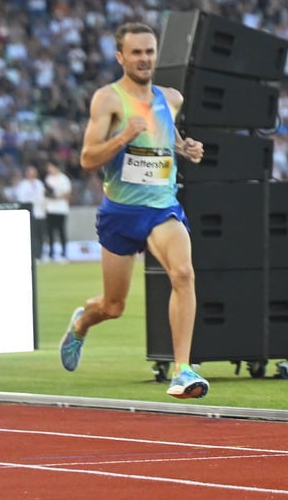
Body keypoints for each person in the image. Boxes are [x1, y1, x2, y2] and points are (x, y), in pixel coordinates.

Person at [59, 21, 209, 399]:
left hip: (161, 208)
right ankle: (81, 323)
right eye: (136, 52)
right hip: (121, 212)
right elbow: (87, 158)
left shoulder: (170, 98)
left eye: (149, 52)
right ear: (120, 56)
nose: (144, 59)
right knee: (113, 306)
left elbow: (164, 138)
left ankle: (183, 370)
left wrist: (185, 148)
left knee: (184, 273)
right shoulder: (107, 100)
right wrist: (123, 136)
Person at [14, 165, 47, 262]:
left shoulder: (39, 183)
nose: (33, 173)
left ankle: (41, 255)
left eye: (34, 171)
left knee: (41, 234)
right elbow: (21, 199)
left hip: (40, 212)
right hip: (30, 213)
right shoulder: (23, 185)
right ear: (27, 173)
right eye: (31, 171)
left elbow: (43, 196)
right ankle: (34, 255)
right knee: (33, 235)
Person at [44, 160, 73, 262]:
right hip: (50, 209)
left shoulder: (63, 179)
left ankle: (64, 253)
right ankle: (51, 254)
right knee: (50, 232)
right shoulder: (48, 179)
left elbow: (67, 194)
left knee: (61, 232)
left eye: (50, 167)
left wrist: (56, 196)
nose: (49, 169)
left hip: (61, 209)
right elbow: (45, 193)